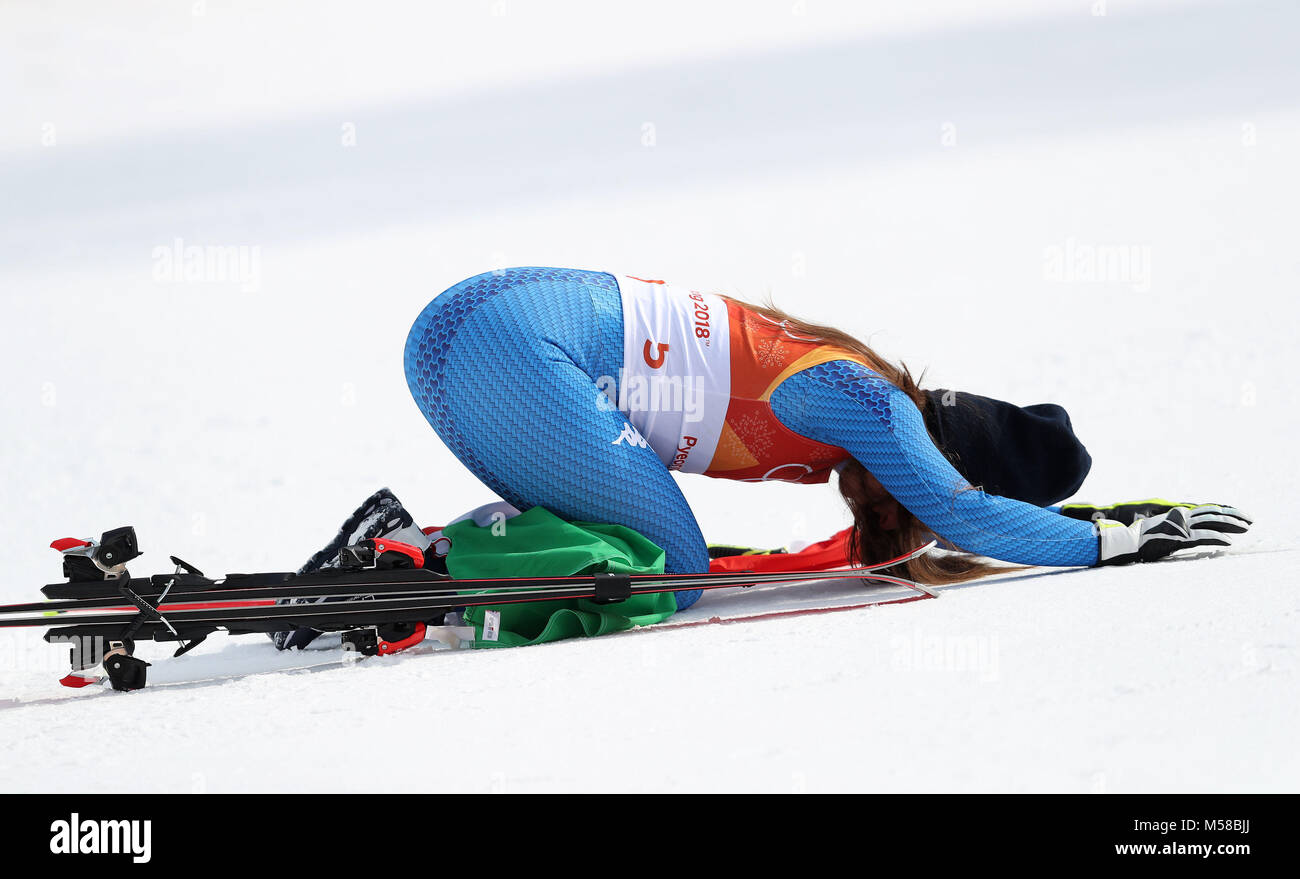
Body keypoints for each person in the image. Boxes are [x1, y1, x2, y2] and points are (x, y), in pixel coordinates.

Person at [401, 267, 1251, 610]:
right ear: (942, 457)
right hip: (507, 345)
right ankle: (424, 559)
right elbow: (970, 518)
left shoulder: (843, 380)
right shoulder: (875, 406)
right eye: (927, 486)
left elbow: (960, 515)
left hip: (459, 330)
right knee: (673, 575)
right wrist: (1117, 538)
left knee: (628, 547)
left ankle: (419, 556)